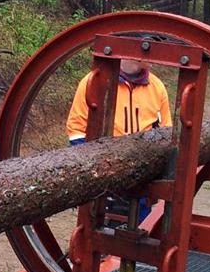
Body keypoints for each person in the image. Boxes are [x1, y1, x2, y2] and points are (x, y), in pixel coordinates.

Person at [66, 57, 173, 222]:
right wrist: (96, 168)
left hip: (143, 181)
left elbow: (166, 133)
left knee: (141, 228)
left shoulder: (156, 86)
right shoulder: (93, 82)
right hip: (104, 178)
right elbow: (77, 130)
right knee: (98, 229)